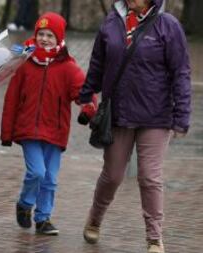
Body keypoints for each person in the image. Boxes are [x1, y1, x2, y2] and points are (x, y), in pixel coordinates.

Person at [79, 1, 191, 252]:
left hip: (156, 116)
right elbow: (97, 63)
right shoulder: (111, 22)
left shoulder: (168, 25)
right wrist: (86, 96)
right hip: (119, 114)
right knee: (113, 175)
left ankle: (154, 237)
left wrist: (181, 116)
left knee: (150, 177)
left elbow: (181, 72)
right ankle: (95, 219)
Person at [1, 12, 96, 235]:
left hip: (55, 131)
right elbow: (12, 98)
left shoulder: (67, 67)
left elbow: (84, 92)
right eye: (40, 34)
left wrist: (88, 109)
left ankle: (43, 218)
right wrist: (7, 132)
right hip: (28, 130)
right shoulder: (24, 63)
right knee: (37, 172)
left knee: (50, 179)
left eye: (49, 35)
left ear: (59, 38)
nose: (44, 39)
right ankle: (25, 204)